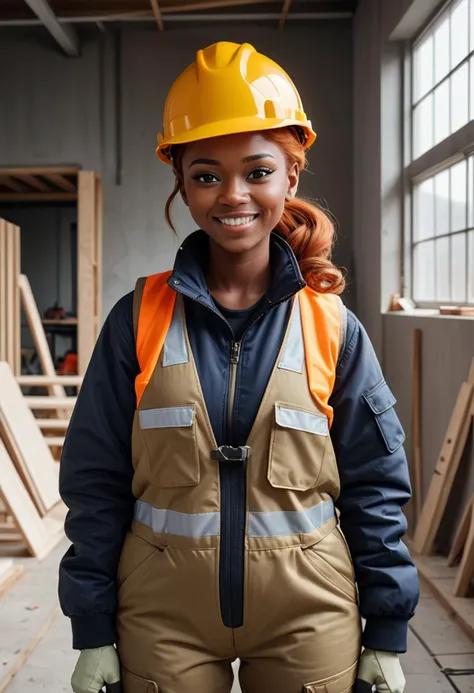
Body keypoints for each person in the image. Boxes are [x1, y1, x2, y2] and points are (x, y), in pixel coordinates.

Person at [59, 41, 419, 693]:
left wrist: (387, 629)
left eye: (257, 171)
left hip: (308, 615)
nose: (233, 195)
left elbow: (377, 485)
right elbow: (94, 481)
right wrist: (91, 628)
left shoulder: (332, 326)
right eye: (205, 174)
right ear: (182, 182)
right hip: (161, 617)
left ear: (291, 176)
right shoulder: (137, 318)